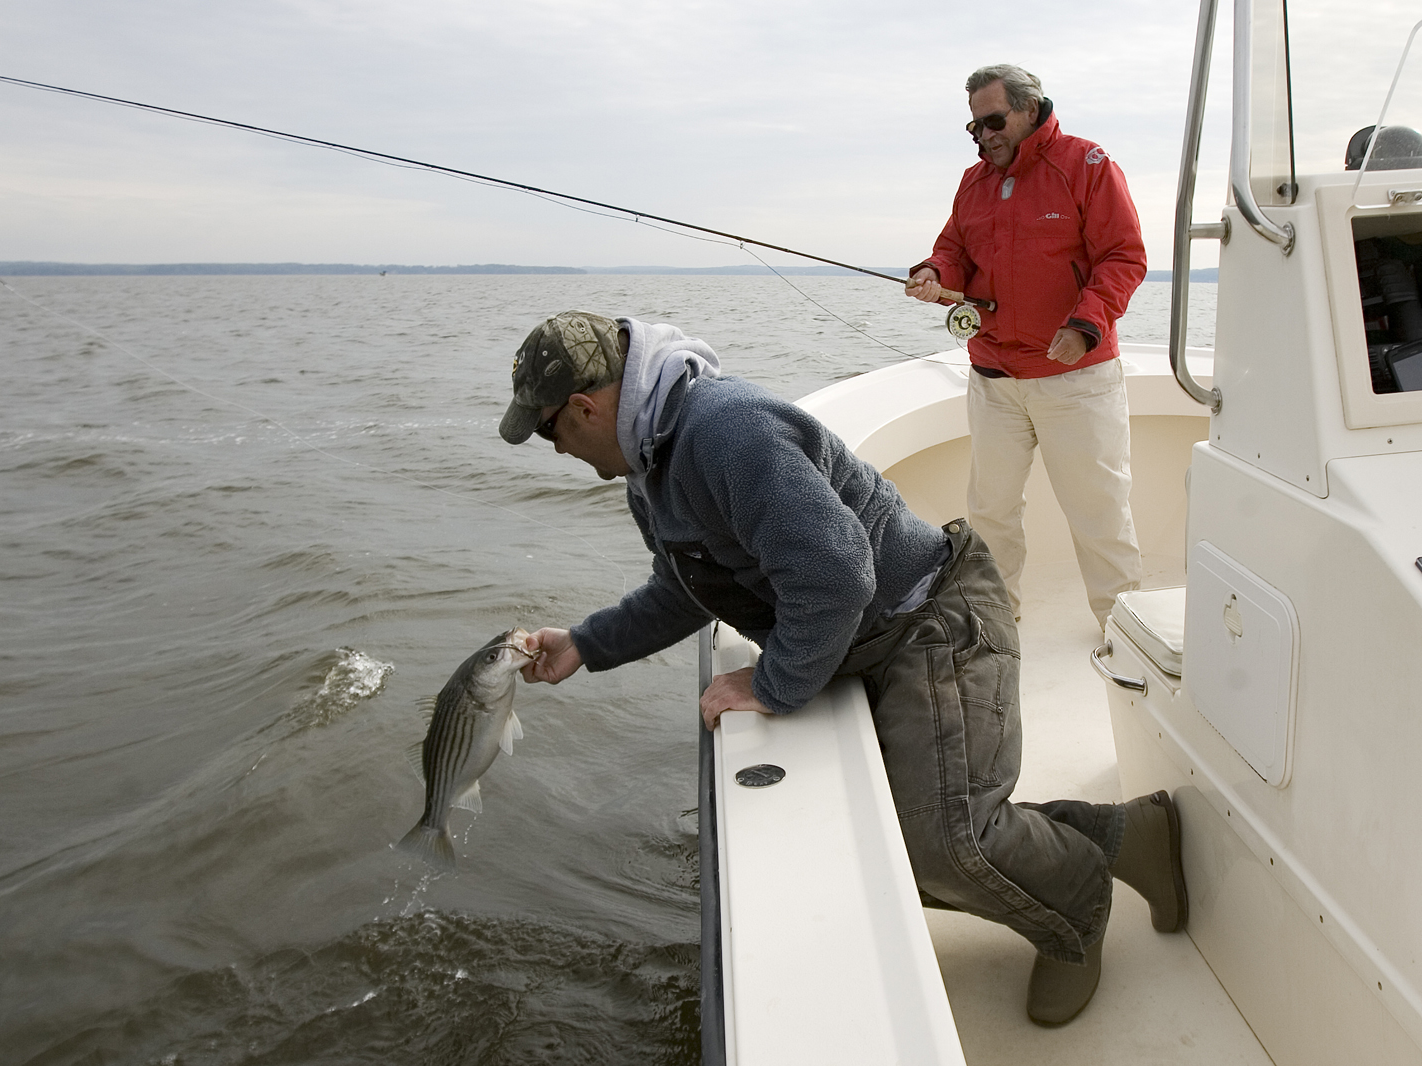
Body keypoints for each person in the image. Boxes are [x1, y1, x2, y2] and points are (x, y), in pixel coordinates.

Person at [497, 309, 1187, 1025]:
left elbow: (837, 573)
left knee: (939, 844)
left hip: (932, 617)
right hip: (866, 639)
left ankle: (1078, 907)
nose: (555, 449)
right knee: (889, 837)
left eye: (548, 431)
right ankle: (1126, 837)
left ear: (584, 408)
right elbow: (683, 590)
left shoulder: (725, 430)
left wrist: (773, 683)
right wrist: (586, 643)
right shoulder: (652, 470)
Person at [905, 64, 1146, 628]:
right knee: (990, 513)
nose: (984, 135)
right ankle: (994, 627)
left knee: (1099, 511)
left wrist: (1085, 325)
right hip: (994, 378)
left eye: (994, 121)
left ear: (1030, 108)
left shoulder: (1088, 165)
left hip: (1076, 379)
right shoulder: (973, 182)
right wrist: (934, 273)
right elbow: (954, 250)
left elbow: (1123, 257)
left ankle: (1123, 632)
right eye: (974, 127)